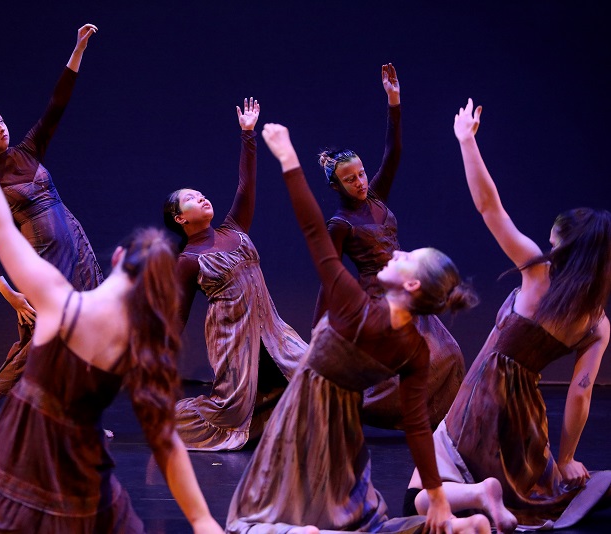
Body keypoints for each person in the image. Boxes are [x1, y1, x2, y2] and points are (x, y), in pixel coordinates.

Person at [0, 117, 223, 533]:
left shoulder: (57, 301)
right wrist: (202, 520)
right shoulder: (140, 349)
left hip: (20, 460)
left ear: (115, 259)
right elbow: (164, 441)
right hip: (83, 479)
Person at [225, 122, 487, 534]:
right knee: (359, 516)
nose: (396, 253)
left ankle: (302, 532)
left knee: (252, 514)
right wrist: (436, 495)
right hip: (348, 432)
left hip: (305, 415)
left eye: (405, 258)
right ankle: (455, 527)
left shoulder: (352, 309)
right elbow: (416, 426)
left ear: (412, 284)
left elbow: (311, 231)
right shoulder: (414, 349)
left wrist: (289, 159)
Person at [407, 98, 611, 531]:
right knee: (534, 494)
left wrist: (466, 142)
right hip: (525, 418)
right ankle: (490, 494)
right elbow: (580, 394)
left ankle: (481, 493)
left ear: (561, 243)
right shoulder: (597, 322)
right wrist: (567, 458)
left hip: (483, 398)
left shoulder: (538, 273)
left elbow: (489, 208)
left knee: (421, 497)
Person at [0, 23, 105, 439]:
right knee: (43, 338)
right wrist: (10, 293)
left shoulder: (28, 150)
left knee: (83, 333)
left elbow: (56, 104)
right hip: (43, 265)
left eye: (2, 121)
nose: (2, 128)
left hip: (75, 246)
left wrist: (78, 50)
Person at [314, 63, 466, 430]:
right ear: (336, 187)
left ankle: (450, 424)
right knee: (388, 370)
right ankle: (356, 407)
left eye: (361, 173)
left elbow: (393, 152)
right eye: (350, 180)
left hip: (408, 285)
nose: (360, 182)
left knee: (449, 356)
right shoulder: (341, 223)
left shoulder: (377, 197)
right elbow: (329, 276)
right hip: (379, 296)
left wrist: (393, 101)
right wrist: (317, 329)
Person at [162, 98, 308, 451]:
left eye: (201, 194)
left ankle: (283, 425)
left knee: (310, 369)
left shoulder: (234, 227)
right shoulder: (188, 260)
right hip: (234, 337)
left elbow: (246, 186)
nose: (202, 198)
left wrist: (248, 134)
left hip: (271, 329)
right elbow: (177, 316)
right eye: (192, 199)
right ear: (180, 218)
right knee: (230, 411)